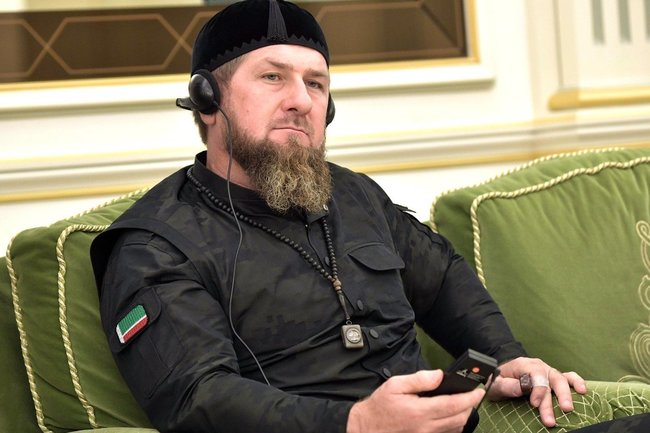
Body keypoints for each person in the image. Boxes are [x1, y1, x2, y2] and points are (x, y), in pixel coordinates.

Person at [90, 1, 586, 432]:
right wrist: (357, 423)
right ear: (208, 101)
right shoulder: (154, 245)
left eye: (316, 84)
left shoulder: (353, 194)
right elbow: (196, 396)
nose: (301, 101)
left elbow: (439, 279)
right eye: (272, 77)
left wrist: (505, 357)